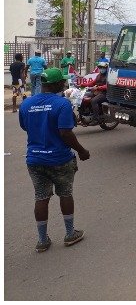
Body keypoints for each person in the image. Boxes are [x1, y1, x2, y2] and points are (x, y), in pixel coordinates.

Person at [19, 68, 90, 253]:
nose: (64, 84)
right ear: (57, 84)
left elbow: (26, 127)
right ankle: (69, 234)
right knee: (65, 193)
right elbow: (65, 133)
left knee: (41, 197)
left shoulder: (26, 104)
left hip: (34, 158)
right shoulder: (62, 104)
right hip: (59, 158)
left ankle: (42, 240)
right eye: (63, 82)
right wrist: (82, 151)